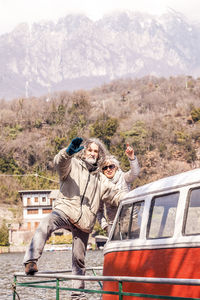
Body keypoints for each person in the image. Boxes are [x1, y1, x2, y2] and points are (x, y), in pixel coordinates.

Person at [23, 137, 126, 299]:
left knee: (79, 259)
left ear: (99, 156)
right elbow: (59, 162)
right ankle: (30, 261)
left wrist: (134, 196)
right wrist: (67, 153)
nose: (92, 153)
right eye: (90, 150)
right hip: (65, 210)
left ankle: (77, 295)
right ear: (84, 151)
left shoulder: (101, 179)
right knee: (46, 223)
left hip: (85, 222)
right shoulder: (73, 165)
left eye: (95, 151)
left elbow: (116, 194)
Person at [97, 143, 140, 234]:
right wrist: (105, 226)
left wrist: (132, 158)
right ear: (102, 171)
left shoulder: (124, 177)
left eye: (111, 166)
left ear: (116, 167)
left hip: (131, 220)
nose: (108, 169)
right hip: (113, 224)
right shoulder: (101, 186)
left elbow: (134, 173)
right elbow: (99, 211)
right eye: (105, 168)